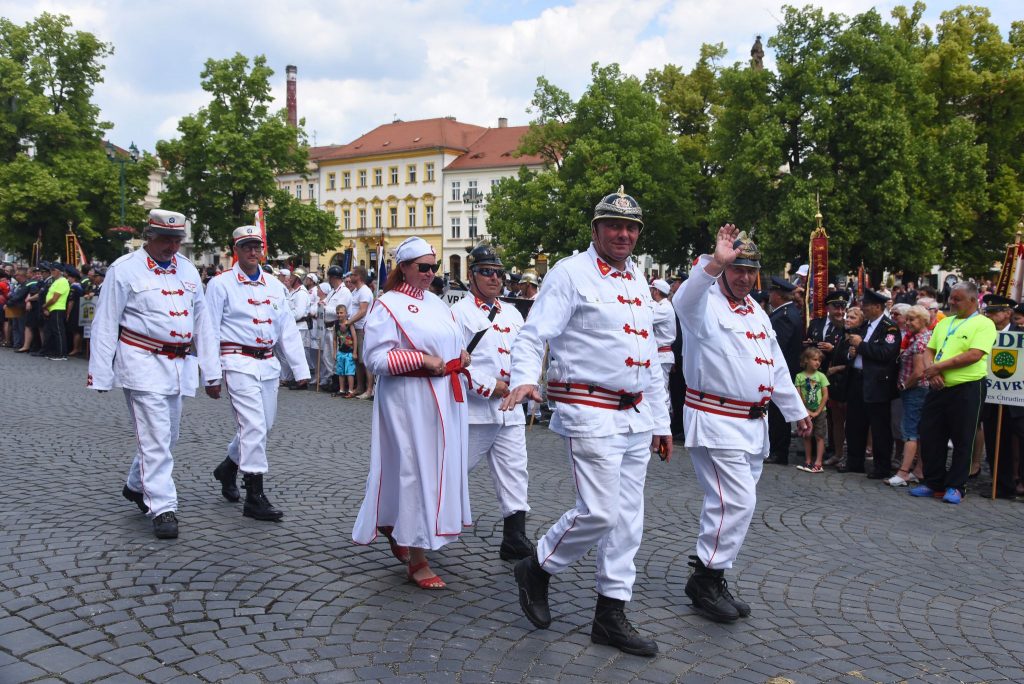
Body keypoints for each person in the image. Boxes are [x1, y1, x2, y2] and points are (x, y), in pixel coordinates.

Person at [502, 187, 671, 657]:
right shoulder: (570, 273)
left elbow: (650, 360)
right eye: (614, 226)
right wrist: (523, 379)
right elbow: (533, 335)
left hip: (636, 414)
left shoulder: (637, 277)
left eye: (631, 227)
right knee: (599, 511)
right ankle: (537, 566)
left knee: (628, 521)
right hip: (589, 409)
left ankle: (610, 613)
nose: (623, 234)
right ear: (595, 229)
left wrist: (662, 422)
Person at [674, 226, 810, 623]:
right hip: (715, 420)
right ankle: (705, 577)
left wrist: (796, 409)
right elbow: (685, 299)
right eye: (737, 270)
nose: (744, 278)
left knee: (728, 504)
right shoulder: (706, 304)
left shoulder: (756, 311)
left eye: (751, 271)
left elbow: (776, 366)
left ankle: (712, 577)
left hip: (752, 424)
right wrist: (715, 263)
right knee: (737, 502)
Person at [88, 209, 220, 539]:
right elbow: (105, 322)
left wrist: (212, 371)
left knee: (168, 436)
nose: (172, 247)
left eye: (177, 241)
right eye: (165, 239)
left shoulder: (188, 270)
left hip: (178, 366)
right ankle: (162, 506)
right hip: (141, 363)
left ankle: (136, 484)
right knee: (157, 437)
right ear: (149, 236)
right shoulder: (124, 269)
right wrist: (100, 372)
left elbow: (203, 325)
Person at [352, 236, 472, 590]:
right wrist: (421, 359)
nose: (430, 273)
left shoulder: (437, 302)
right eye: (423, 267)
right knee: (415, 471)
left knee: (436, 470)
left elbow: (451, 340)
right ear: (403, 267)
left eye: (433, 267)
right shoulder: (387, 305)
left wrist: (461, 354)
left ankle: (401, 526)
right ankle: (418, 558)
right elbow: (375, 358)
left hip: (444, 398)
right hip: (409, 400)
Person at [205, 226, 310, 521]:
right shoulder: (221, 284)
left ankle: (228, 467)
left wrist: (300, 368)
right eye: (247, 246)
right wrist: (211, 375)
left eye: (257, 246)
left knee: (263, 426)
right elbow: (209, 329)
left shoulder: (274, 285)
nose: (253, 251)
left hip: (267, 363)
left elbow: (287, 329)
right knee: (252, 425)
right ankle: (255, 495)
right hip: (236, 361)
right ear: (235, 250)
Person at [452, 244, 533, 562]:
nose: (494, 278)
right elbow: (456, 363)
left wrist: (525, 383)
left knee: (515, 471)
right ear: (471, 275)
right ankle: (422, 529)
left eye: (499, 273)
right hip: (475, 411)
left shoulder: (512, 313)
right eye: (486, 272)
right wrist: (490, 387)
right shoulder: (458, 313)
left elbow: (526, 352)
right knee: (454, 470)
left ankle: (514, 537)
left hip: (509, 411)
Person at [911, 282, 997, 504]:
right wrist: (932, 372)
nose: (951, 302)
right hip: (939, 387)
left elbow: (974, 355)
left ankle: (957, 485)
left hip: (968, 388)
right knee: (931, 434)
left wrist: (939, 367)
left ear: (972, 300)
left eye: (957, 299)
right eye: (951, 297)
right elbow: (929, 350)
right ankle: (933, 482)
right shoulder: (944, 322)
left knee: (963, 438)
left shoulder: (984, 324)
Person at [840, 290, 900, 479]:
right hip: (857, 379)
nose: (863, 308)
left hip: (877, 383)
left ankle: (882, 466)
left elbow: (885, 353)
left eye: (866, 305)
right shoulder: (865, 326)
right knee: (855, 423)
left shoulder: (889, 328)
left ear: (877, 307)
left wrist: (861, 346)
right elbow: (853, 349)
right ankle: (854, 461)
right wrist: (851, 353)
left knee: (879, 427)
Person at [888, 304, 932, 486]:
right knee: (918, 432)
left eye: (911, 319)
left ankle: (904, 471)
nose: (907, 323)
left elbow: (919, 371)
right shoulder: (922, 338)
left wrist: (905, 386)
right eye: (906, 319)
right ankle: (919, 470)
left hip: (915, 391)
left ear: (923, 321)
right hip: (918, 390)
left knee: (910, 432)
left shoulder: (921, 341)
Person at [765, 276, 803, 465]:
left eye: (771, 292)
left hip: (782, 371)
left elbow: (778, 347)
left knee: (778, 413)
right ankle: (777, 449)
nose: (769, 296)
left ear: (778, 295)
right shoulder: (787, 312)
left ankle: (779, 451)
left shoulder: (784, 316)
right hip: (785, 369)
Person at [795, 347, 829, 473]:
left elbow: (825, 395)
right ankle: (808, 460)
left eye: (819, 360)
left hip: (820, 411)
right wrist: (806, 411)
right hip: (805, 411)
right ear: (806, 360)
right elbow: (798, 395)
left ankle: (818, 462)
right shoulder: (799, 377)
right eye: (814, 359)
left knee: (819, 436)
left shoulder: (821, 376)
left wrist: (817, 411)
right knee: (807, 435)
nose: (817, 362)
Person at [317, 266, 350, 391]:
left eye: (330, 277)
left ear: (334, 278)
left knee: (334, 355)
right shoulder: (333, 291)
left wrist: (324, 307)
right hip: (328, 327)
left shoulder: (344, 292)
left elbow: (340, 310)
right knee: (327, 356)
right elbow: (323, 301)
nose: (329, 280)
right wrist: (322, 304)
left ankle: (338, 382)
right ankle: (333, 378)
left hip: (337, 327)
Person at [346, 266, 376, 399]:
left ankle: (369, 389)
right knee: (357, 359)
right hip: (355, 328)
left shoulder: (364, 291)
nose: (350, 277)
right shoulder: (356, 291)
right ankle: (360, 387)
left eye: (352, 275)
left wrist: (349, 321)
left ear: (358, 276)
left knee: (365, 360)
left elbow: (363, 311)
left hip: (363, 329)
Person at [650, 278, 677, 398]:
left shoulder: (664, 307)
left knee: (661, 390)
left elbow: (646, 318)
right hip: (660, 354)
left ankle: (667, 415)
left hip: (662, 354)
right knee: (657, 389)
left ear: (656, 291)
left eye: (651, 290)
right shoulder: (662, 305)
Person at [40, 262, 70, 360]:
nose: (51, 272)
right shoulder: (56, 281)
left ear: (58, 271)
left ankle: (62, 354)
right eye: (50, 270)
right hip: (53, 308)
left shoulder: (62, 281)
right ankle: (51, 351)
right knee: (51, 331)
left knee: (58, 332)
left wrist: (45, 306)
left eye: (52, 270)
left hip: (58, 308)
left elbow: (54, 299)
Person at [334, 308, 357, 398]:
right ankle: (342, 389)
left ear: (346, 313)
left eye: (341, 313)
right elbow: (334, 339)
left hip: (349, 352)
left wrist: (354, 352)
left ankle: (350, 390)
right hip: (341, 351)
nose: (339, 314)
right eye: (338, 313)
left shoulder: (349, 324)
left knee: (349, 371)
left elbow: (354, 338)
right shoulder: (336, 324)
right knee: (340, 371)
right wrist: (334, 352)